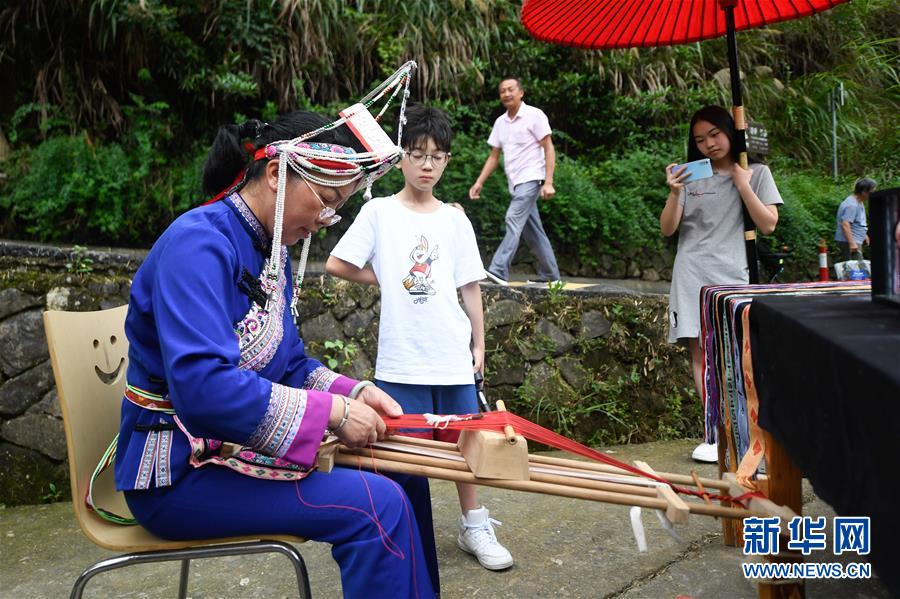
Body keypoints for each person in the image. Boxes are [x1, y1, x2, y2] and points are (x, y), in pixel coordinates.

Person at [116, 108, 436, 598]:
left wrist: (358, 392)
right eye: (326, 201)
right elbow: (204, 391)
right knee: (375, 505)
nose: (328, 220)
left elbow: (287, 365)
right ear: (275, 174)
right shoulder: (197, 245)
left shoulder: (271, 250)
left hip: (226, 448)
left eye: (339, 208)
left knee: (404, 469)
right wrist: (333, 411)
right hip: (179, 473)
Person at [327, 105, 515, 577]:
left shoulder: (455, 220)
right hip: (401, 361)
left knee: (465, 447)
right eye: (417, 154)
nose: (426, 164)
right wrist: (387, 278)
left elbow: (470, 285)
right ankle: (406, 535)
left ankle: (474, 524)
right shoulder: (378, 212)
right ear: (401, 159)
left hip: (451, 355)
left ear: (447, 161)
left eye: (436, 156)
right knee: (403, 462)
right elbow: (337, 263)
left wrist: (480, 344)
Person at [660, 105, 783, 463]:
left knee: (736, 355)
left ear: (730, 130)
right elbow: (668, 229)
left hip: (732, 274)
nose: (708, 144)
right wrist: (673, 191)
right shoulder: (688, 175)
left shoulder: (756, 172)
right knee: (700, 354)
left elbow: (769, 224)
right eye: (699, 139)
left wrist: (743, 185)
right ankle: (715, 435)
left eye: (714, 134)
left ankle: (743, 430)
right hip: (691, 271)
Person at [468, 77, 561, 286]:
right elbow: (494, 156)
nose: (506, 94)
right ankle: (551, 276)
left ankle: (498, 270)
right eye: (502, 91)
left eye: (511, 89)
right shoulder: (501, 122)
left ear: (521, 92)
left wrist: (549, 181)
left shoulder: (534, 115)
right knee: (533, 232)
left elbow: (548, 147)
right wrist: (479, 182)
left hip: (531, 178)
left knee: (512, 218)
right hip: (516, 184)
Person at [834, 177, 877, 261]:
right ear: (864, 192)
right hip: (849, 241)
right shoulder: (852, 205)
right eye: (872, 191)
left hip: (855, 239)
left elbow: (857, 221)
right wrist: (851, 243)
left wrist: (864, 234)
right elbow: (845, 224)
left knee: (855, 269)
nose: (874, 193)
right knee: (856, 269)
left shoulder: (858, 201)